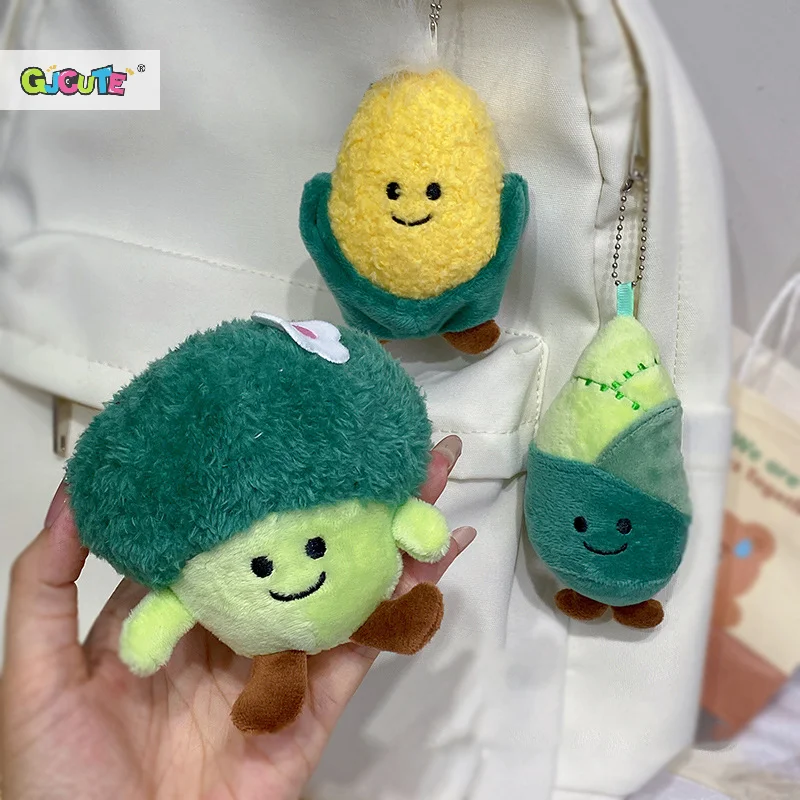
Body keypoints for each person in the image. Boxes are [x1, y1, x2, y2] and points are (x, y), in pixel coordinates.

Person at [1, 437, 473, 799]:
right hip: (277, 644)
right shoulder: (200, 561)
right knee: (283, 662)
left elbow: (399, 517)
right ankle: (302, 664)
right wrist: (145, 641)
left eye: (314, 548)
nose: (295, 576)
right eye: (263, 567)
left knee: (343, 629)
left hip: (344, 608)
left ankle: (379, 623)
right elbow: (170, 608)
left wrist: (417, 528)